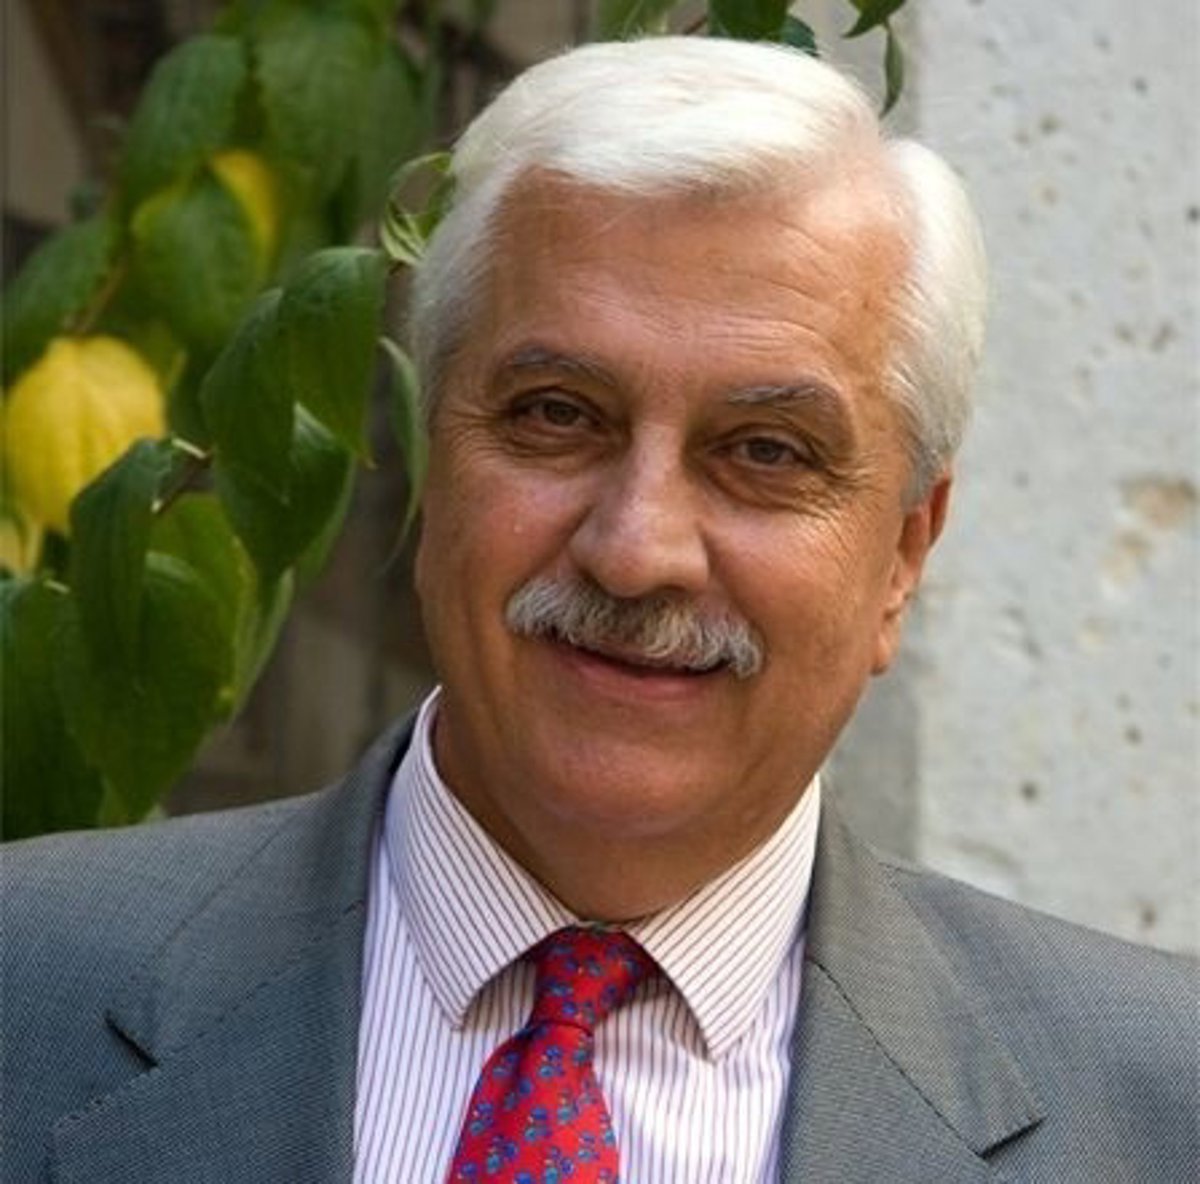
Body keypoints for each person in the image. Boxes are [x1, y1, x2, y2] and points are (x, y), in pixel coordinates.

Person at [3, 37, 1195, 1184]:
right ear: (432, 458)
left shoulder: (1159, 1111)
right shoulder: (25, 988)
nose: (635, 551)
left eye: (765, 449)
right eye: (557, 415)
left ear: (902, 554)